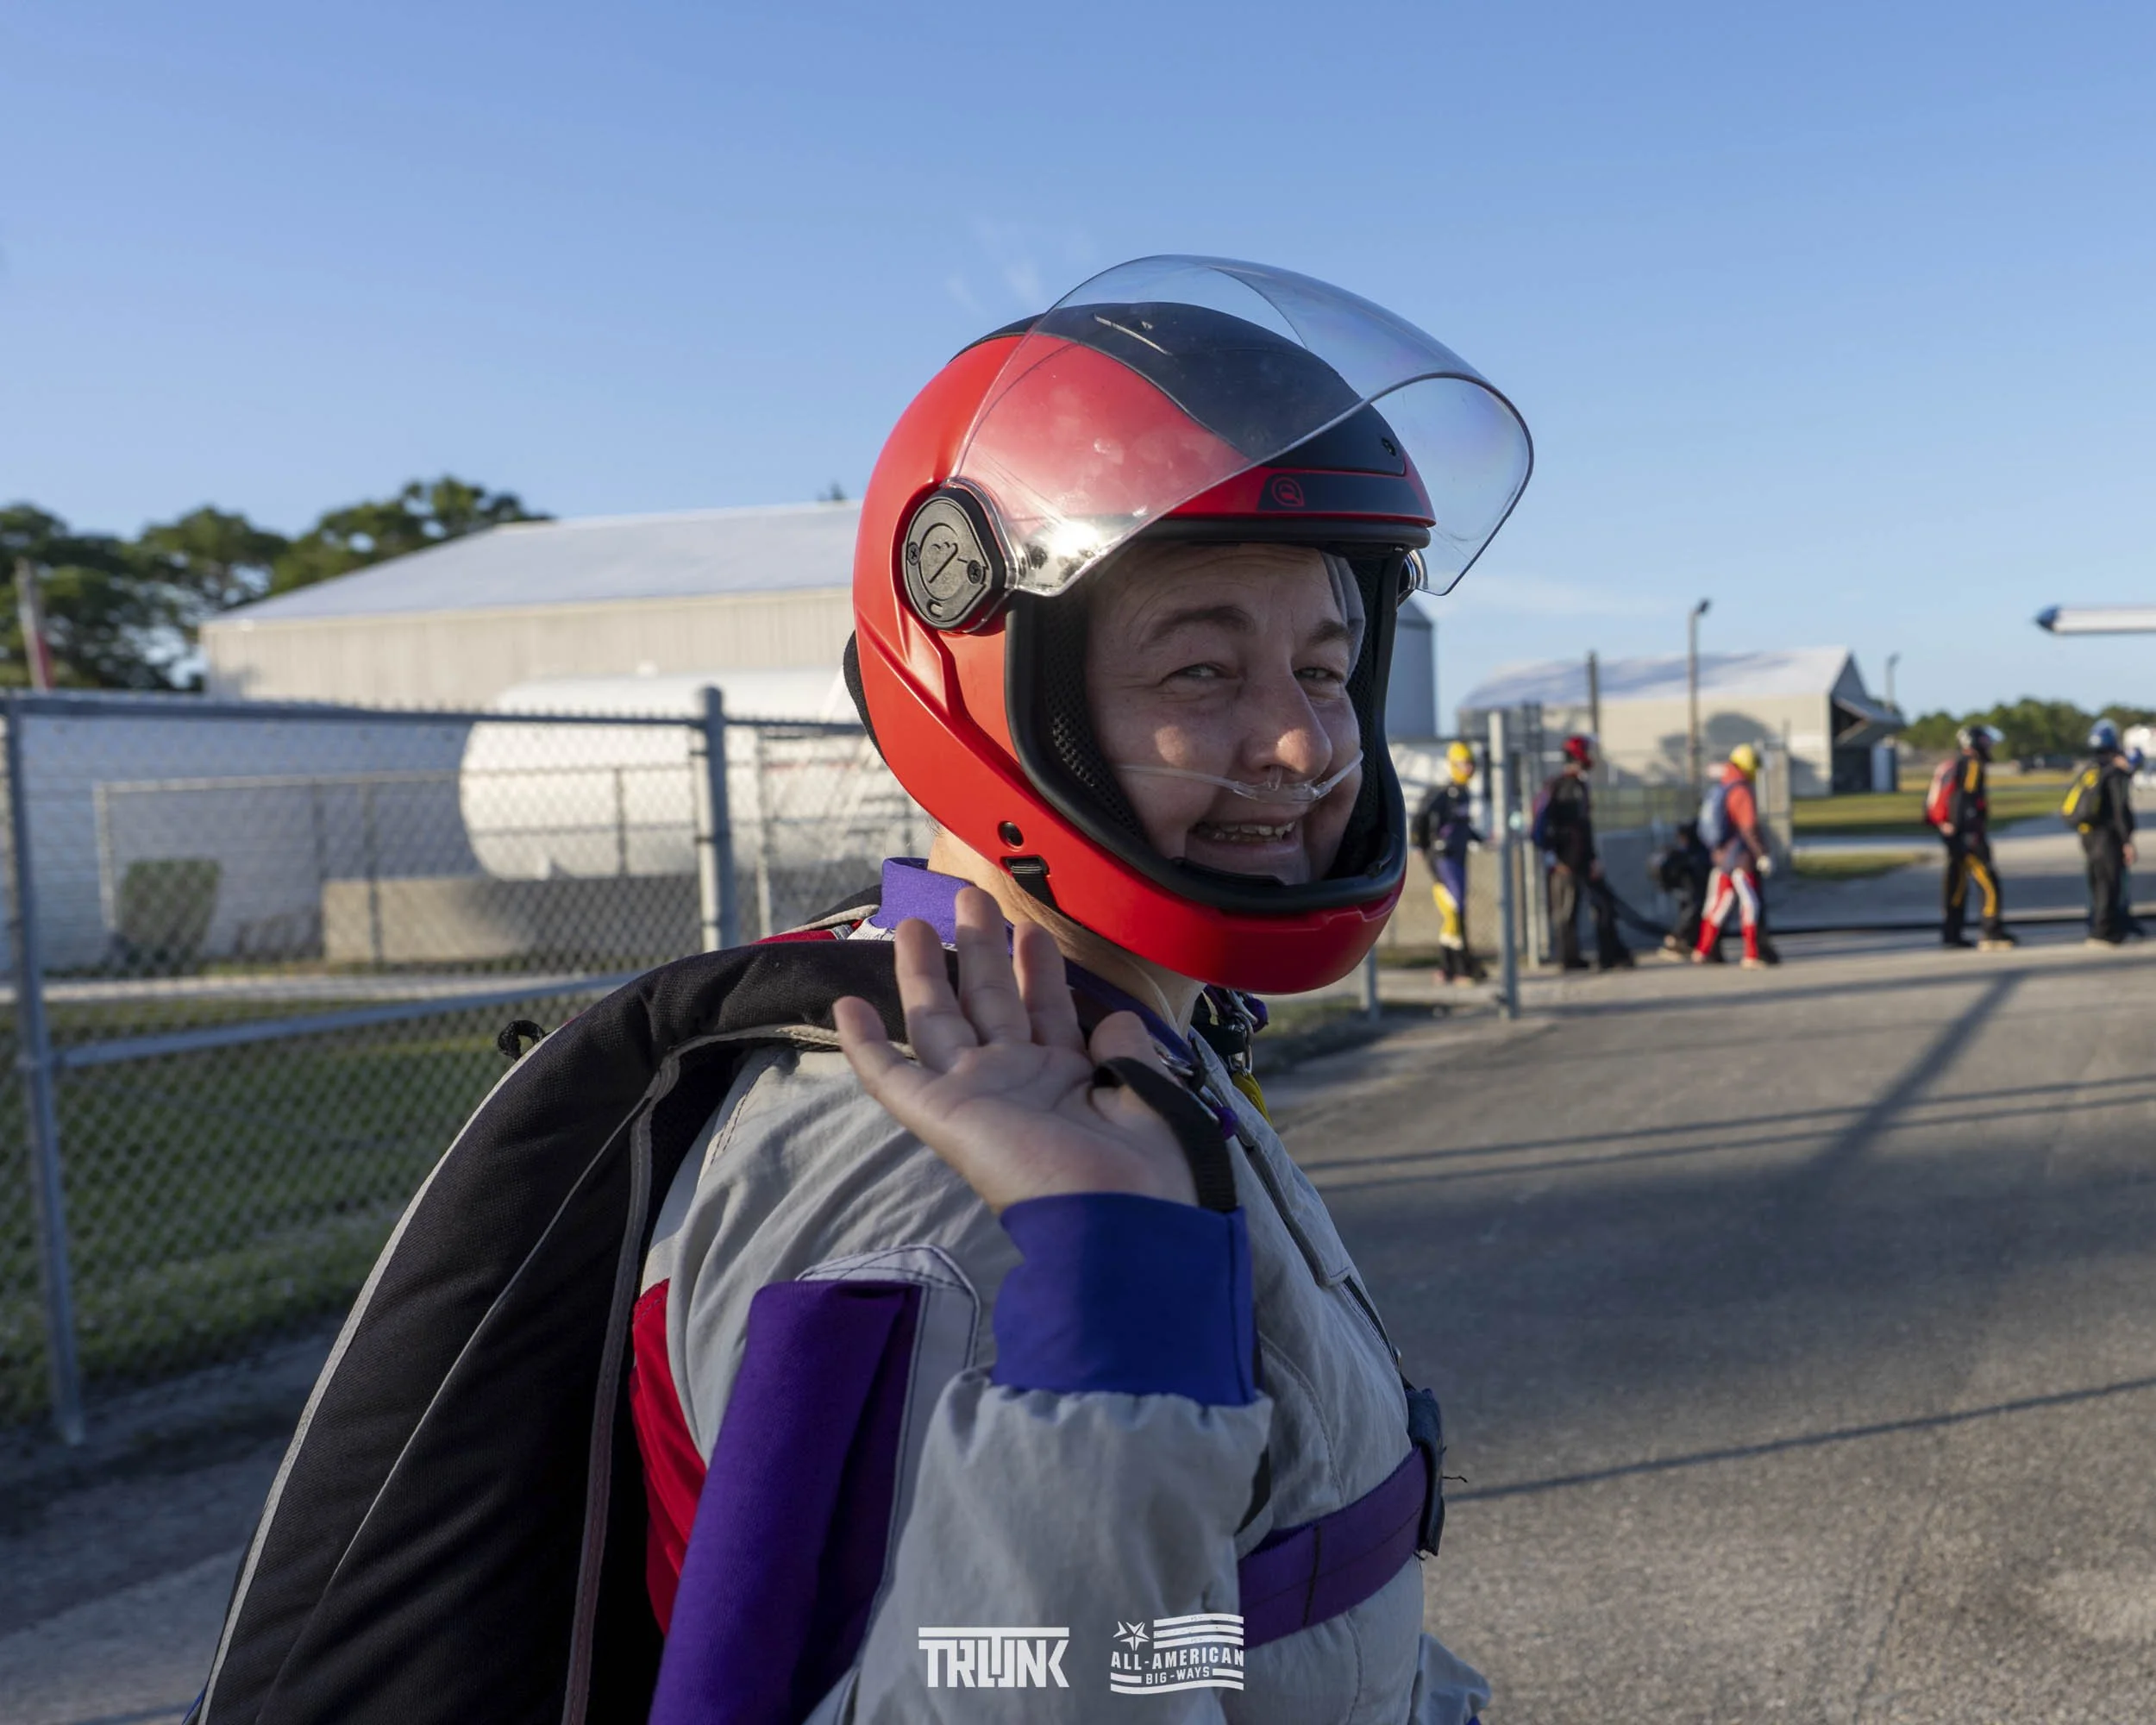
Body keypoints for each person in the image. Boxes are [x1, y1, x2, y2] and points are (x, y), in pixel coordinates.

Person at [628, 260, 1533, 1722]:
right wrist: (1108, 1287)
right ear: (992, 684)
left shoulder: (1105, 1043)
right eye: (1200, 674)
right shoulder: (924, 1192)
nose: (1304, 747)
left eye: (1322, 666)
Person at [1534, 733, 1632, 971]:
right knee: (1568, 911)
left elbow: (1583, 829)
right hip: (1568, 862)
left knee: (1603, 905)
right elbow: (1563, 828)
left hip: (1581, 860)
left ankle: (1610, 954)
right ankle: (1572, 958)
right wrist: (1557, 857)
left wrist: (1592, 857)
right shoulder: (1566, 787)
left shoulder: (1575, 786)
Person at [1693, 743, 1780, 969]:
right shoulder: (1742, 791)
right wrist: (1762, 854)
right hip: (1741, 859)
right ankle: (1751, 954)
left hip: (1722, 857)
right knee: (1750, 904)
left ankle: (1703, 949)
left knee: (1717, 905)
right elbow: (1749, 827)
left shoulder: (1724, 786)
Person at [1934, 724, 2016, 950]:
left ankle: (1952, 933)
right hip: (1968, 835)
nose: (1988, 746)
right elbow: (1965, 798)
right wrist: (1969, 831)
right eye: (1984, 741)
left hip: (1952, 833)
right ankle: (1992, 932)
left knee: (1956, 884)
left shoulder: (1955, 764)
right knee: (1988, 882)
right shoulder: (1972, 765)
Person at [1413, 741, 1486, 983]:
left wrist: (1480, 838)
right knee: (1453, 910)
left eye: (1471, 764)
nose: (1469, 769)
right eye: (1464, 764)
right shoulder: (1443, 793)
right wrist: (1421, 844)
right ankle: (1458, 966)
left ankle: (1448, 967)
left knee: (1455, 913)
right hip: (1443, 860)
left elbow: (1462, 825)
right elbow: (1422, 817)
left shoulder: (1464, 793)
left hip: (1459, 858)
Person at [2071, 719, 2139, 945]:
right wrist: (2127, 840)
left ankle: (2097, 925)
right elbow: (2120, 810)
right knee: (2110, 884)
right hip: (2107, 836)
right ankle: (2105, 931)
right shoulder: (2113, 773)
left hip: (2088, 835)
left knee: (2096, 881)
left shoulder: (2091, 770)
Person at [1651, 819, 1713, 958]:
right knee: (1695, 909)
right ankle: (1678, 940)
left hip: (1689, 891)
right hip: (1693, 891)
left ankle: (1686, 942)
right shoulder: (1693, 855)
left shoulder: (1688, 854)